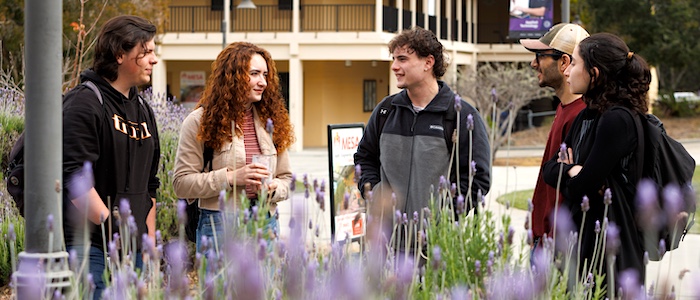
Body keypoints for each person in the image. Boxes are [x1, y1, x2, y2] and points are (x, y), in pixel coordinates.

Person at [354, 27, 491, 253]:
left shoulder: (460, 116)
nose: (394, 67)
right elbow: (364, 159)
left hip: (437, 247)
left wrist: (443, 217)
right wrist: (376, 194)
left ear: (428, 63)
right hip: (386, 244)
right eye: (394, 59)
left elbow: (478, 179)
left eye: (403, 59)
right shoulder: (385, 112)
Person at [62, 15, 160, 299]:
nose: (154, 60)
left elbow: (150, 185)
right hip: (91, 246)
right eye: (147, 52)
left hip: (135, 247)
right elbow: (74, 177)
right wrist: (114, 230)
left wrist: (148, 241)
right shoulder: (84, 103)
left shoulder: (144, 110)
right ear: (120, 54)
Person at [543, 33, 650, 282]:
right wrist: (571, 170)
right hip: (582, 247)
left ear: (595, 73)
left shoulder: (617, 120)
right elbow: (549, 169)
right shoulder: (587, 115)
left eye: (575, 64)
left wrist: (571, 172)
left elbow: (581, 188)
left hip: (609, 254)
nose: (567, 71)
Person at [173, 42, 294, 253]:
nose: (263, 82)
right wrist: (230, 178)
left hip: (265, 223)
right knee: (220, 287)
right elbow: (181, 183)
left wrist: (274, 189)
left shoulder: (272, 122)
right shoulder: (199, 121)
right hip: (219, 224)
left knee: (264, 287)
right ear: (232, 76)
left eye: (265, 75)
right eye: (254, 73)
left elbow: (287, 179)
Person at [520, 23, 589, 250]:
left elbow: (571, 190)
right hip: (543, 240)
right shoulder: (563, 108)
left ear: (564, 63)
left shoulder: (581, 115)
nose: (533, 63)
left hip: (557, 247)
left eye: (540, 56)